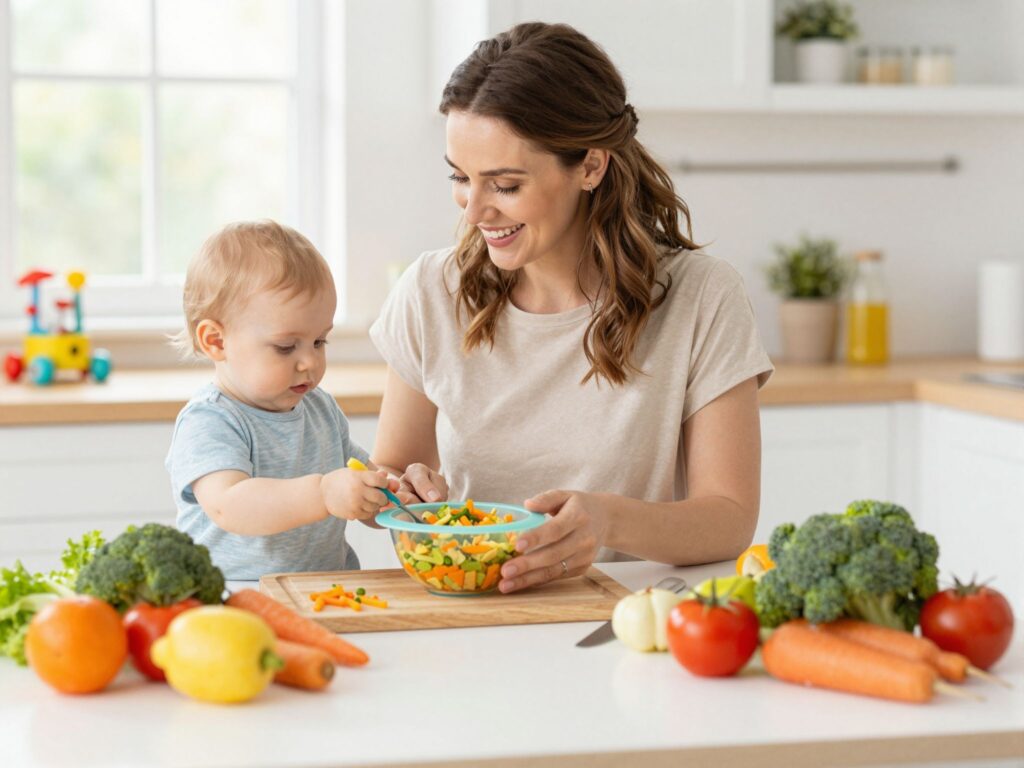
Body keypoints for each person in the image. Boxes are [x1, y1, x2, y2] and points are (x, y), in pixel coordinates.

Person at [369, 22, 774, 593]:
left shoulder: (701, 296)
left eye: (505, 185)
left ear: (590, 165)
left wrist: (608, 520)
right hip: (473, 613)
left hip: (626, 617)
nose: (473, 210)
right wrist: (399, 491)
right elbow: (392, 478)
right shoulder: (432, 291)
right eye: (461, 178)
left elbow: (729, 518)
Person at [166, 220, 404, 579]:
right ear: (216, 341)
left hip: (325, 590)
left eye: (319, 342)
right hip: (235, 598)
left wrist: (393, 493)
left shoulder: (320, 408)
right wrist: (324, 493)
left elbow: (360, 491)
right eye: (285, 347)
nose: (309, 361)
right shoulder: (210, 420)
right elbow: (230, 506)